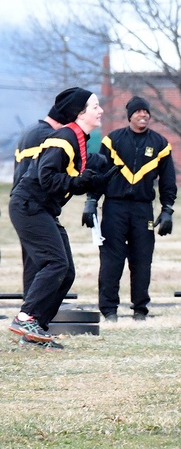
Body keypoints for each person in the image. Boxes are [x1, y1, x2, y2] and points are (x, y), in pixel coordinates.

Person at [8, 87, 116, 349]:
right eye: (94, 107)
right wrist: (78, 181)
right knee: (55, 263)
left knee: (66, 271)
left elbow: (64, 182)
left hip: (43, 209)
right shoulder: (63, 138)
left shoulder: (77, 139)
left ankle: (36, 332)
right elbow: (47, 178)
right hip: (28, 206)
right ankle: (25, 317)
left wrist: (91, 181)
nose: (100, 110)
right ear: (79, 113)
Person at [85, 96, 177, 322]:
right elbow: (99, 174)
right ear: (130, 116)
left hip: (142, 209)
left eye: (146, 112)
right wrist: (91, 201)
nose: (143, 115)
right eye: (138, 112)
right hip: (114, 208)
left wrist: (167, 209)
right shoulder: (113, 140)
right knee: (111, 261)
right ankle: (109, 310)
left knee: (142, 260)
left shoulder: (160, 144)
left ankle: (140, 309)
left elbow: (168, 181)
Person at [10, 92, 71, 297]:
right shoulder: (47, 137)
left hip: (24, 204)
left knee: (33, 261)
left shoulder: (30, 132)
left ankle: (31, 308)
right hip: (33, 204)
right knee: (49, 262)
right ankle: (33, 310)